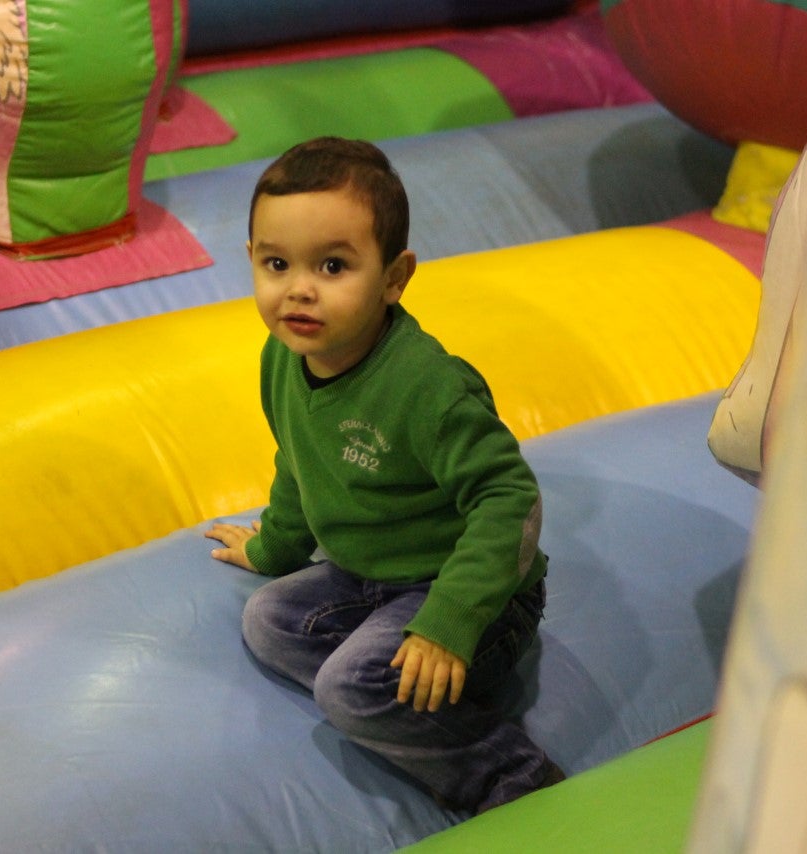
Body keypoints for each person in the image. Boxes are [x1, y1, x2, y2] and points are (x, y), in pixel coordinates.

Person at [205, 136, 561, 813]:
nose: (299, 289)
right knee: (268, 620)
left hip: (474, 593)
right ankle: (412, 694)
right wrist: (271, 548)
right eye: (277, 264)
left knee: (348, 687)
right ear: (252, 261)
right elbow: (299, 464)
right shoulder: (282, 358)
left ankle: (512, 777)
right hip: (367, 577)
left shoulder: (427, 385)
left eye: (334, 266)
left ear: (394, 278)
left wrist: (449, 622)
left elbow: (509, 499)